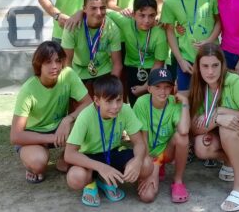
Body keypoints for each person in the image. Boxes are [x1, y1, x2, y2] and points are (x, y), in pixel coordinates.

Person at [190, 43, 239, 212]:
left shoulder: (234, 82)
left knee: (229, 125)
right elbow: (196, 128)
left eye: (215, 65)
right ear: (198, 66)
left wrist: (221, 112)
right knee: (200, 146)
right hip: (226, 132)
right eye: (205, 66)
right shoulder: (199, 86)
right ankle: (230, 160)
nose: (210, 71)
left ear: (222, 65)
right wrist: (218, 119)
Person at [64, 75, 154, 206]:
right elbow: (69, 154)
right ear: (97, 100)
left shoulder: (125, 110)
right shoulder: (85, 116)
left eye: (118, 100)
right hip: (89, 158)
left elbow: (139, 143)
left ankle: (104, 180)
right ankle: (90, 183)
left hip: (111, 153)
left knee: (146, 164)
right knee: (75, 177)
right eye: (109, 101)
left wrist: (137, 161)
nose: (115, 106)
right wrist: (102, 167)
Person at [10, 41, 92, 184]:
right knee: (38, 163)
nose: (54, 66)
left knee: (89, 132)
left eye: (58, 61)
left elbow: (89, 103)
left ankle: (64, 158)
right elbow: (16, 135)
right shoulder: (28, 90)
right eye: (48, 62)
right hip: (34, 133)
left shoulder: (68, 75)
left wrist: (68, 119)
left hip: (60, 127)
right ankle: (32, 164)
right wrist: (53, 138)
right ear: (38, 64)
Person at [160, 0, 221, 95]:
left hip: (211, 57)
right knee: (185, 100)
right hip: (187, 60)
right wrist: (180, 60)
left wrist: (209, 41)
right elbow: (169, 32)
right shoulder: (170, 2)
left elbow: (218, 21)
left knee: (213, 100)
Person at [133, 68, 190, 203]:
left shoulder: (174, 103)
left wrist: (185, 102)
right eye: (157, 87)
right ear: (149, 89)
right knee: (147, 196)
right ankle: (157, 168)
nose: (163, 91)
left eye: (167, 87)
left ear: (172, 88)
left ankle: (178, 181)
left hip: (165, 153)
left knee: (182, 138)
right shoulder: (141, 103)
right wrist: (149, 167)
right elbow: (143, 138)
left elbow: (184, 130)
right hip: (147, 152)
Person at [108, 0, 169, 105]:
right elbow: (104, 11)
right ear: (133, 14)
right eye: (142, 15)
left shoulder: (159, 33)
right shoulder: (126, 22)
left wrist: (145, 87)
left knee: (151, 105)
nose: (147, 20)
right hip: (131, 69)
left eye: (151, 15)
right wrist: (79, 14)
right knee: (134, 105)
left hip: (152, 72)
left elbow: (158, 64)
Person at [61, 0, 122, 97]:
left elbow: (117, 64)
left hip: (104, 71)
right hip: (78, 72)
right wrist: (73, 86)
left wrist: (111, 87)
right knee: (80, 108)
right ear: (84, 8)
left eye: (102, 8)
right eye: (93, 8)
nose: (98, 13)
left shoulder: (112, 28)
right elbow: (66, 63)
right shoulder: (72, 26)